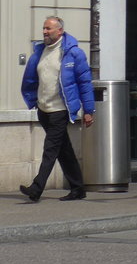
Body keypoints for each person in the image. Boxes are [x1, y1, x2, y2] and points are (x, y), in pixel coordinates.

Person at [18, 16, 95, 202]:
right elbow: (31, 79)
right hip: (44, 109)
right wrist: (33, 100)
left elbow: (85, 82)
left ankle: (36, 189)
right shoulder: (39, 52)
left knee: (50, 149)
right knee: (63, 150)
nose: (44, 32)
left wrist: (88, 110)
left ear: (59, 31)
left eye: (49, 29)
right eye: (44, 28)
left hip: (61, 110)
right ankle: (78, 189)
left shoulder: (73, 53)